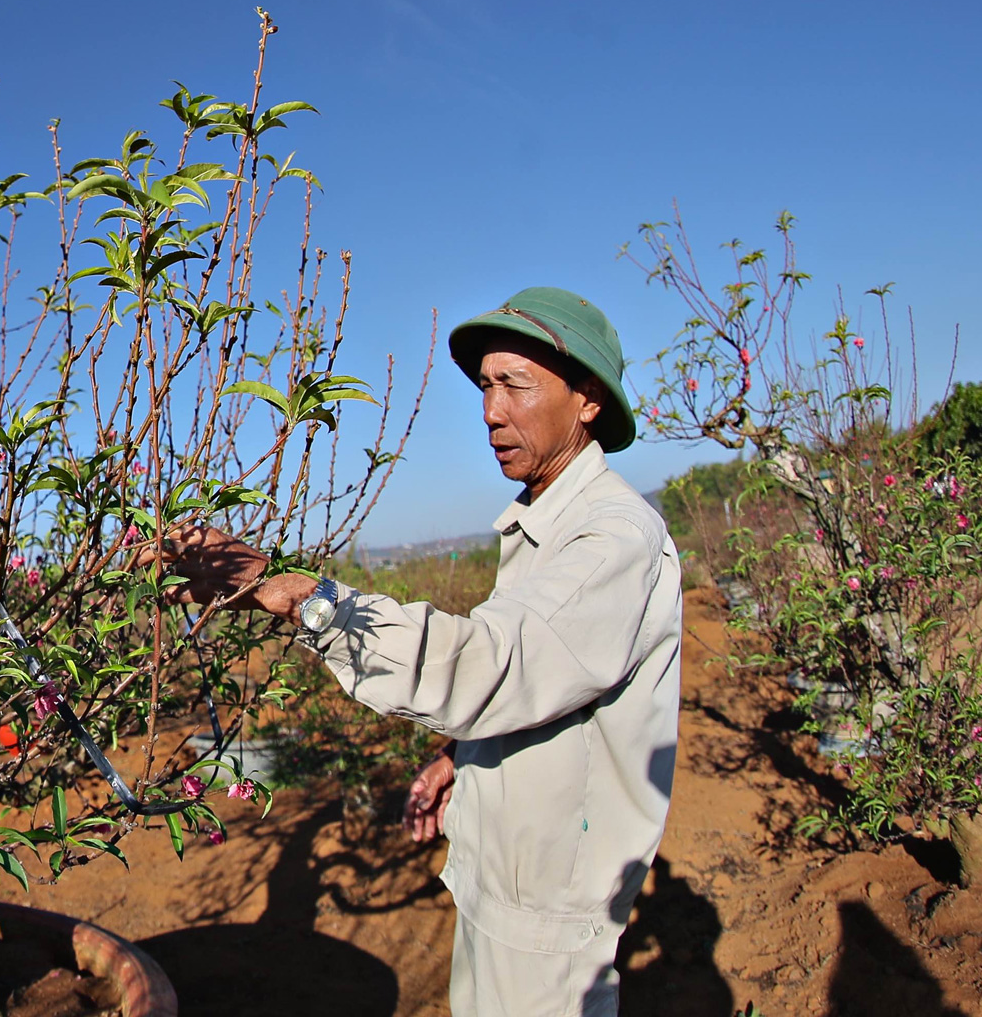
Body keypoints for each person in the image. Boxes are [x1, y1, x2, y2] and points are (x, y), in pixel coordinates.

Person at [157, 287, 682, 1016]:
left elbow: (493, 664)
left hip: (548, 907)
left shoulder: (611, 536)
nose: (492, 411)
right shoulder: (548, 526)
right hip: (512, 887)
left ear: (588, 399)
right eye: (487, 386)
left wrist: (305, 598)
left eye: (516, 386)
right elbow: (547, 682)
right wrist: (457, 757)